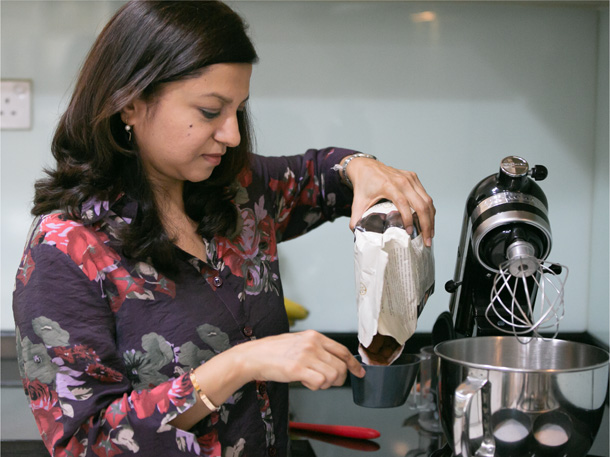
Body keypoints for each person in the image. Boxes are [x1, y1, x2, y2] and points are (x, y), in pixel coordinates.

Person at [12, 1, 435, 456]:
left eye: (239, 109)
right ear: (130, 104)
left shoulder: (237, 191)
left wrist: (363, 167)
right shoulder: (64, 251)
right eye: (211, 111)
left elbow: (320, 175)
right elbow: (87, 443)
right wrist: (240, 363)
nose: (232, 134)